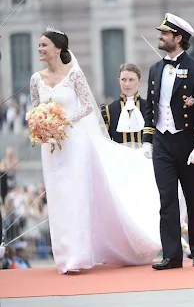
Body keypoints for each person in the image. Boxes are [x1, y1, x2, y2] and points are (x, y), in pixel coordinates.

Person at [29, 26, 162, 274]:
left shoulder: (75, 74)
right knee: (58, 199)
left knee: (77, 196)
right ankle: (64, 256)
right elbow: (34, 109)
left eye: (44, 45)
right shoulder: (36, 79)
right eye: (39, 45)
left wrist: (63, 121)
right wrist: (40, 126)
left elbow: (87, 107)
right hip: (52, 148)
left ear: (58, 49)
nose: (40, 49)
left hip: (76, 143)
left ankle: (80, 256)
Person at [142, 13, 194, 270]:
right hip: (162, 143)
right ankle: (172, 255)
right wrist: (147, 140)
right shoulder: (154, 69)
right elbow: (151, 108)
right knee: (167, 200)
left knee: (193, 199)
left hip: (187, 144)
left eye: (165, 33)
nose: (160, 37)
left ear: (178, 38)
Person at [100, 63, 147, 147]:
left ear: (140, 81)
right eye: (123, 79)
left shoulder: (149, 107)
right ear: (119, 81)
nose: (127, 84)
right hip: (120, 158)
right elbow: (104, 142)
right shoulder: (108, 110)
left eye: (131, 80)